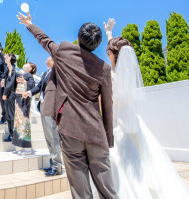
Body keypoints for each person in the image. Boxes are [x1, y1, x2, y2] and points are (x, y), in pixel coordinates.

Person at [17, 11, 118, 199]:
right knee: (107, 190)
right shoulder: (103, 67)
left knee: (80, 191)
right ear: (96, 45)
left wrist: (29, 24)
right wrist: (108, 136)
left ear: (78, 38)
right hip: (96, 132)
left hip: (70, 129)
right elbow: (107, 104)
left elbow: (44, 40)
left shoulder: (64, 51)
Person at [95, 18, 189, 199]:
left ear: (112, 54)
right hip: (133, 124)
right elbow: (115, 49)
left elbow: (104, 101)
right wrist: (109, 32)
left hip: (116, 125)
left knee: (119, 164)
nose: (106, 52)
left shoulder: (110, 75)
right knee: (144, 164)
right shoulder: (127, 76)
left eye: (108, 50)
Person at [23, 56, 62, 176]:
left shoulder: (57, 71)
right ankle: (54, 164)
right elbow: (39, 87)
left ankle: (57, 166)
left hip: (51, 107)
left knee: (52, 136)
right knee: (48, 137)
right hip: (43, 107)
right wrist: (29, 92)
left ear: (54, 60)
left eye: (48, 58)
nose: (46, 60)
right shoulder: (46, 73)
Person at [13, 62, 36, 152]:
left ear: (30, 68)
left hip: (23, 100)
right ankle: (21, 145)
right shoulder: (23, 74)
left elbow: (32, 85)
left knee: (24, 122)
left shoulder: (29, 75)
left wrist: (24, 82)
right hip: (19, 100)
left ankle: (26, 147)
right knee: (19, 122)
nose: (25, 65)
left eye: (28, 65)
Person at [1, 53, 18, 142]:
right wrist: (3, 80)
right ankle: (11, 133)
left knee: (10, 114)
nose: (5, 57)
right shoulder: (8, 68)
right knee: (8, 114)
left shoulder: (12, 68)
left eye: (7, 56)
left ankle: (12, 135)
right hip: (8, 93)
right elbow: (6, 79)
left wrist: (5, 93)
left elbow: (10, 83)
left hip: (10, 94)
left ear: (10, 58)